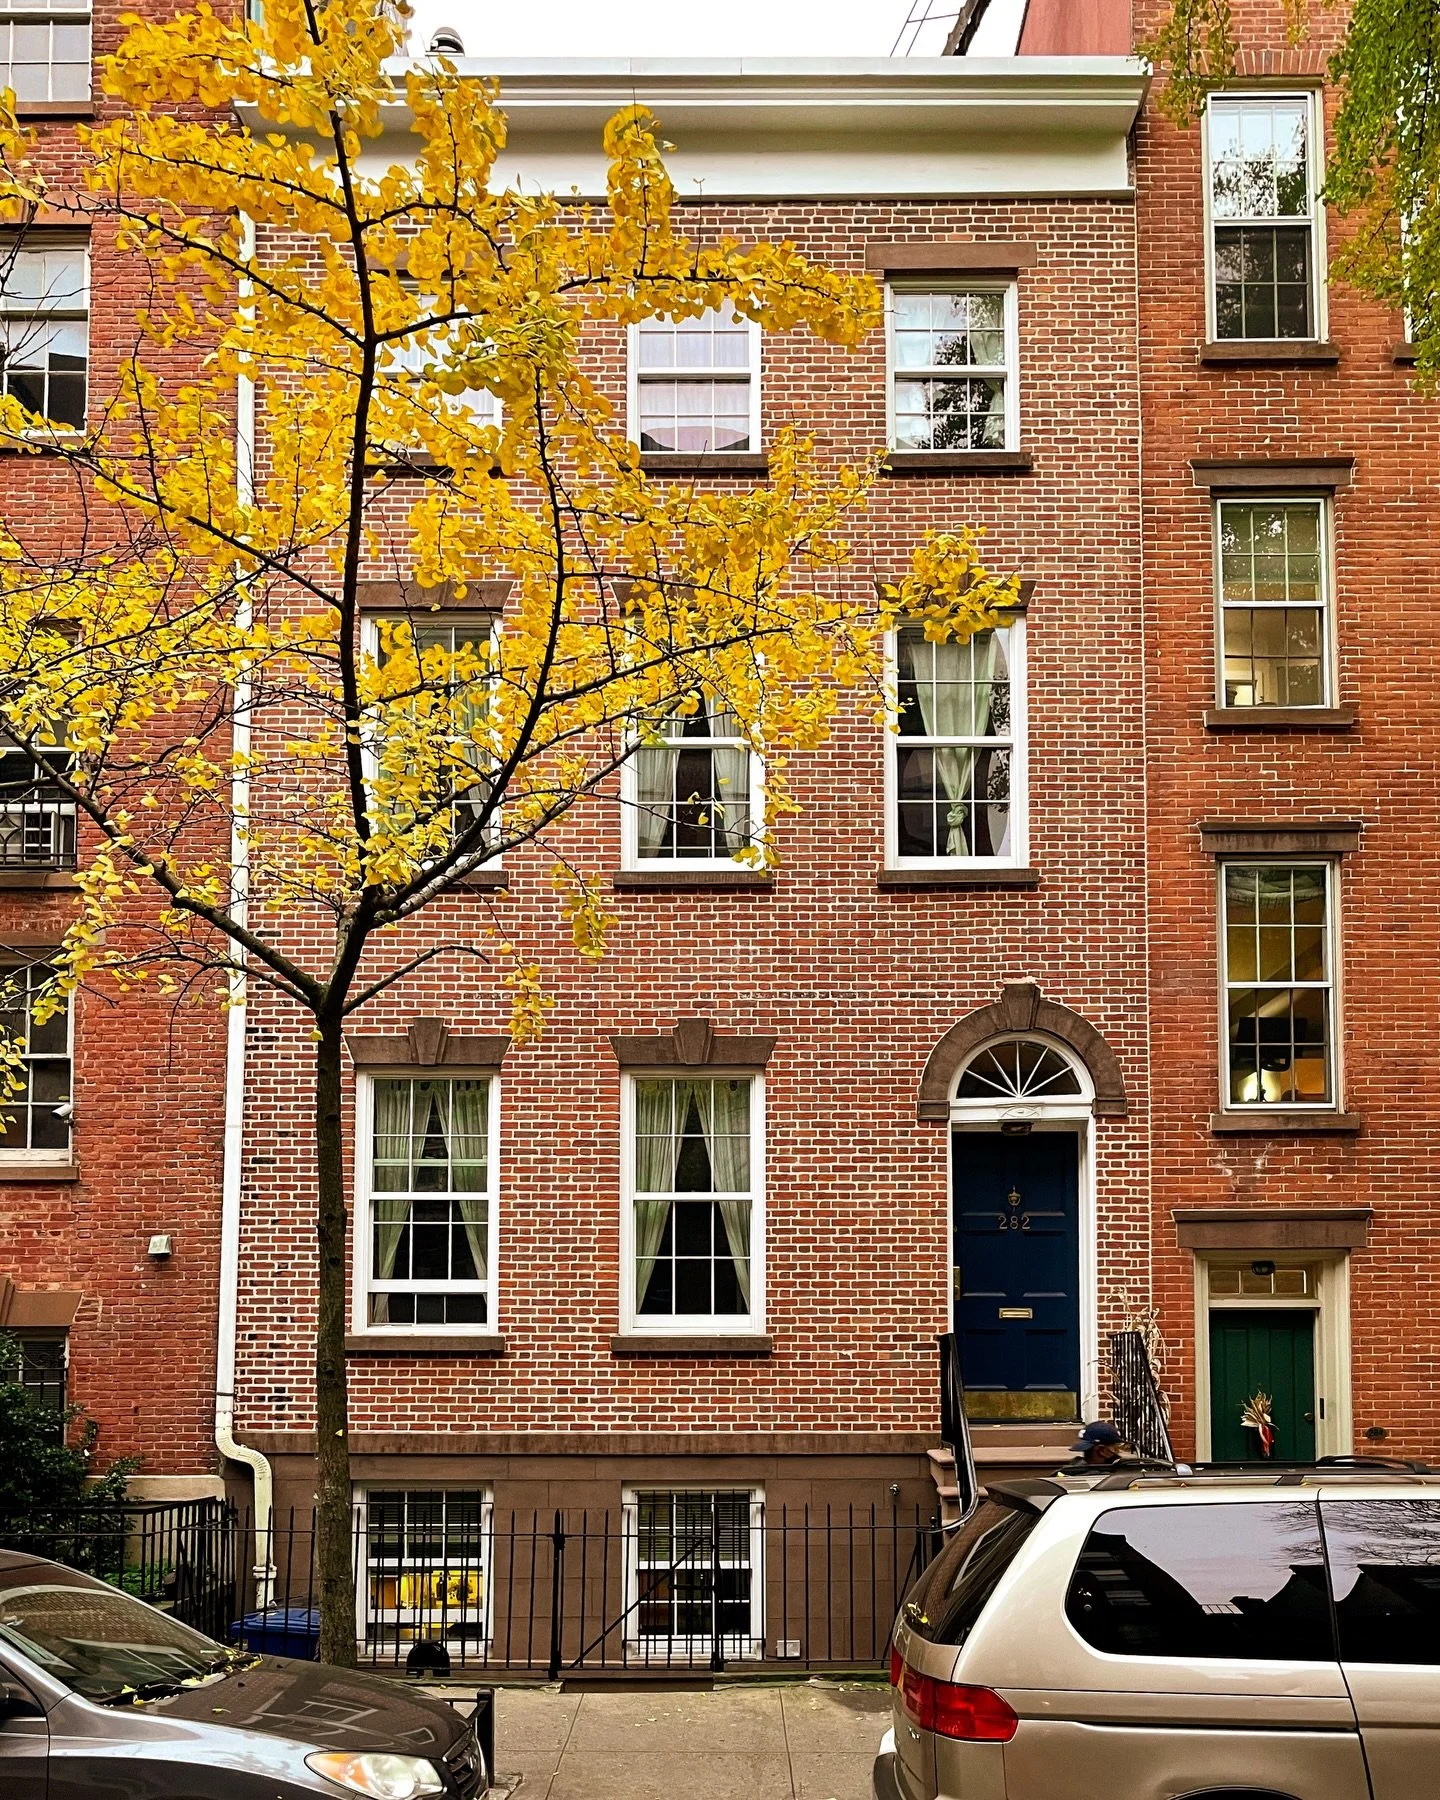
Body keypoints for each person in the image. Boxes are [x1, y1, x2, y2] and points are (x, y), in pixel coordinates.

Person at [1059, 1420, 1143, 1473]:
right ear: (1101, 1450)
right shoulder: (1118, 1478)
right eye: (1114, 1448)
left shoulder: (1069, 1472)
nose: (1117, 1453)